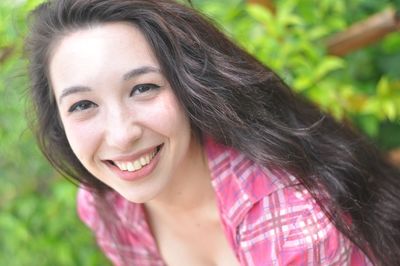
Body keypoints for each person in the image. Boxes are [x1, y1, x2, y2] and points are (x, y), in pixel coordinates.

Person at [25, 0, 400, 265]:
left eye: (143, 88)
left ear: (188, 85)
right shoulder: (106, 205)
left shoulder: (290, 220)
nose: (122, 135)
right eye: (83, 105)